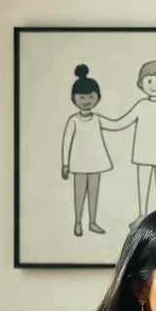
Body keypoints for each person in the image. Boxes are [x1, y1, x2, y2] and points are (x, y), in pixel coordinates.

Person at [104, 60, 156, 223]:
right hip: (143, 152)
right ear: (141, 84)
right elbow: (123, 121)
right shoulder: (141, 105)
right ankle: (142, 214)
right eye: (149, 81)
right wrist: (104, 123)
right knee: (143, 184)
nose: (154, 85)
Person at [59, 64, 113, 237]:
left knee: (94, 193)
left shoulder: (97, 119)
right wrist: (65, 164)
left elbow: (115, 124)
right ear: (74, 98)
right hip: (78, 163)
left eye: (91, 96)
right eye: (82, 96)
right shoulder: (74, 120)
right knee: (79, 193)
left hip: (96, 161)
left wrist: (135, 117)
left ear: (98, 97)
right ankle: (77, 221)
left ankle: (92, 222)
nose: (86, 100)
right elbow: (66, 142)